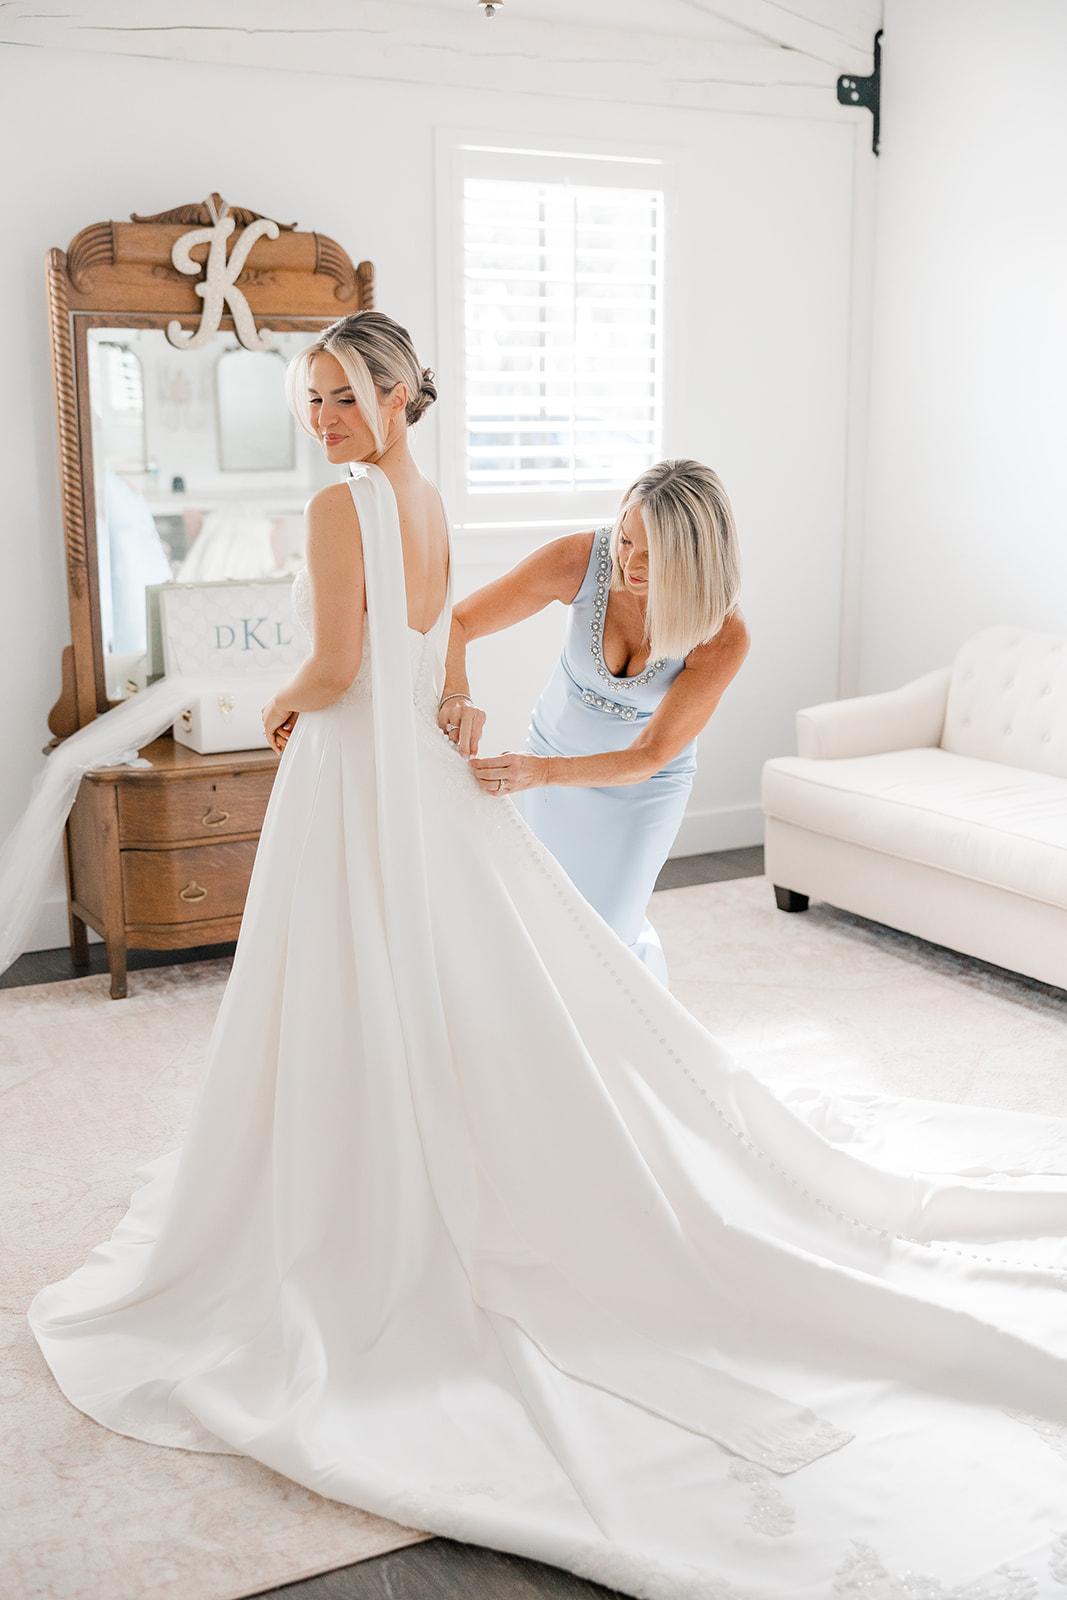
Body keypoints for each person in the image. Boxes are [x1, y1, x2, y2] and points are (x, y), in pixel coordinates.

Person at [26, 311, 1067, 1600]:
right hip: (500, 754)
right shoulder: (476, 521)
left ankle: (572, 1122)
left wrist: (302, 704)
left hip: (618, 785)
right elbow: (440, 631)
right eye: (312, 398)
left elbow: (526, 712)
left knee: (588, 949)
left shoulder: (678, 622)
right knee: (509, 947)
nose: (324, 419)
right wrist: (461, 708)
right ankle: (495, 1117)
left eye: (343, 396)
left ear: (395, 397)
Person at [438, 460, 749, 982]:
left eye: (654, 553)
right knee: (543, 921)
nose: (630, 563)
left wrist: (540, 772)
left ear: (696, 557)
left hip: (642, 789)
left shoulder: (723, 634)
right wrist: (457, 694)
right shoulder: (581, 560)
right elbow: (460, 622)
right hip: (550, 760)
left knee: (608, 936)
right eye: (625, 540)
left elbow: (649, 756)